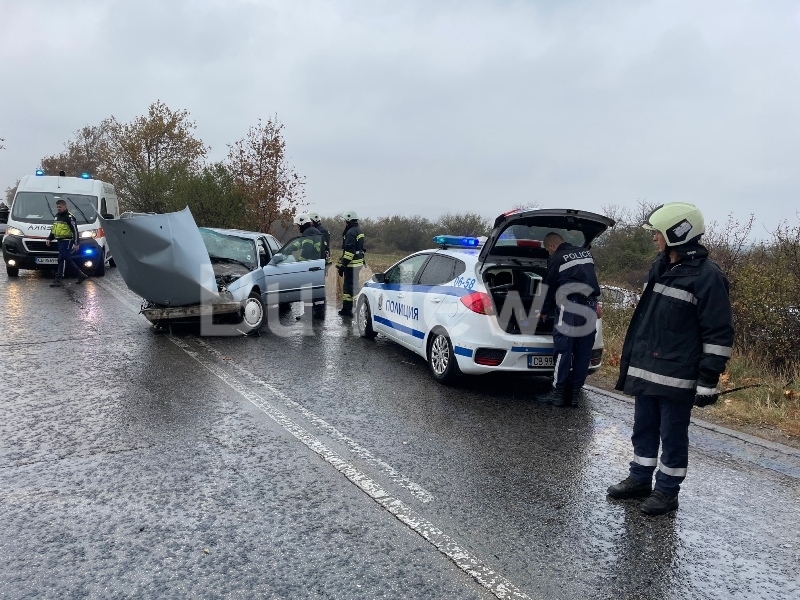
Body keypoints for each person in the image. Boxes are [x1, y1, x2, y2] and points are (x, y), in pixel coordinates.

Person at [607, 202, 734, 516]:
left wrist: (708, 380)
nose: (654, 239)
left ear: (678, 234)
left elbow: (718, 332)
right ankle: (640, 479)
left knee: (672, 435)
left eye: (658, 233)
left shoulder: (707, 276)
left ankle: (667, 492)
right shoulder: (660, 265)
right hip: (648, 368)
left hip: (678, 375)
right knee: (643, 429)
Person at [539, 231, 601, 407]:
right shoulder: (585, 253)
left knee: (563, 349)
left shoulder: (557, 257)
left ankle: (557, 394)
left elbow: (548, 286)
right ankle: (574, 395)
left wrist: (543, 310)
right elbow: (592, 280)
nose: (549, 254)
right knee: (583, 352)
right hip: (589, 305)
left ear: (552, 246)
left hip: (570, 307)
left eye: (548, 251)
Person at [45, 199, 87, 287]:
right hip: (60, 241)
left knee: (61, 259)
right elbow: (54, 229)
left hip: (67, 240)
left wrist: (76, 243)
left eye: (60, 207)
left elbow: (75, 231)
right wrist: (49, 238)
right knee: (66, 259)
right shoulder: (57, 216)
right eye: (57, 207)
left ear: (65, 206)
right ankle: (80, 275)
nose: (58, 208)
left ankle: (58, 280)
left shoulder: (70, 217)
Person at [335, 210, 365, 317]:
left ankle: (358, 310)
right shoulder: (358, 230)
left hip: (352, 264)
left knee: (353, 287)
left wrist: (343, 265)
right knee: (348, 287)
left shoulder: (350, 233)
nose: (344, 223)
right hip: (357, 263)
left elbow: (349, 252)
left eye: (345, 221)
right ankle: (346, 309)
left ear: (348, 220)